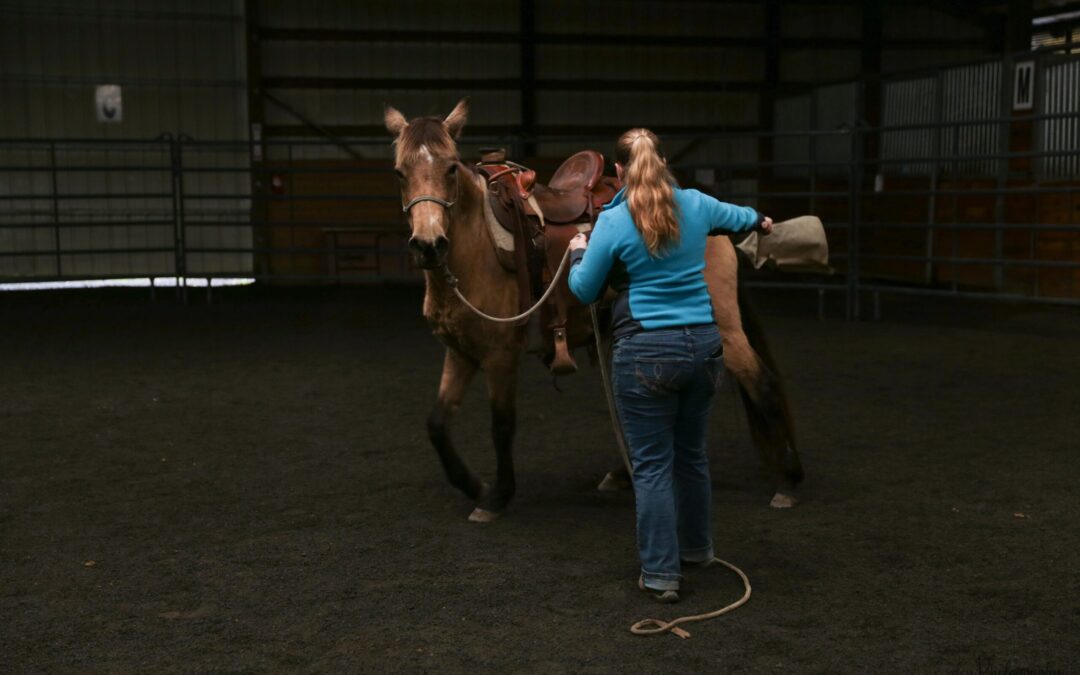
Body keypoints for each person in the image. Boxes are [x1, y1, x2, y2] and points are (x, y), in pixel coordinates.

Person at [567, 128, 772, 603]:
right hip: (703, 348)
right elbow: (741, 216)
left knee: (652, 467)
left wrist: (578, 251)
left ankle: (661, 574)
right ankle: (697, 550)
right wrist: (761, 220)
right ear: (661, 161)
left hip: (645, 353)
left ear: (619, 170)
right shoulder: (697, 204)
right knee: (692, 456)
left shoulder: (613, 221)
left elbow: (584, 291)